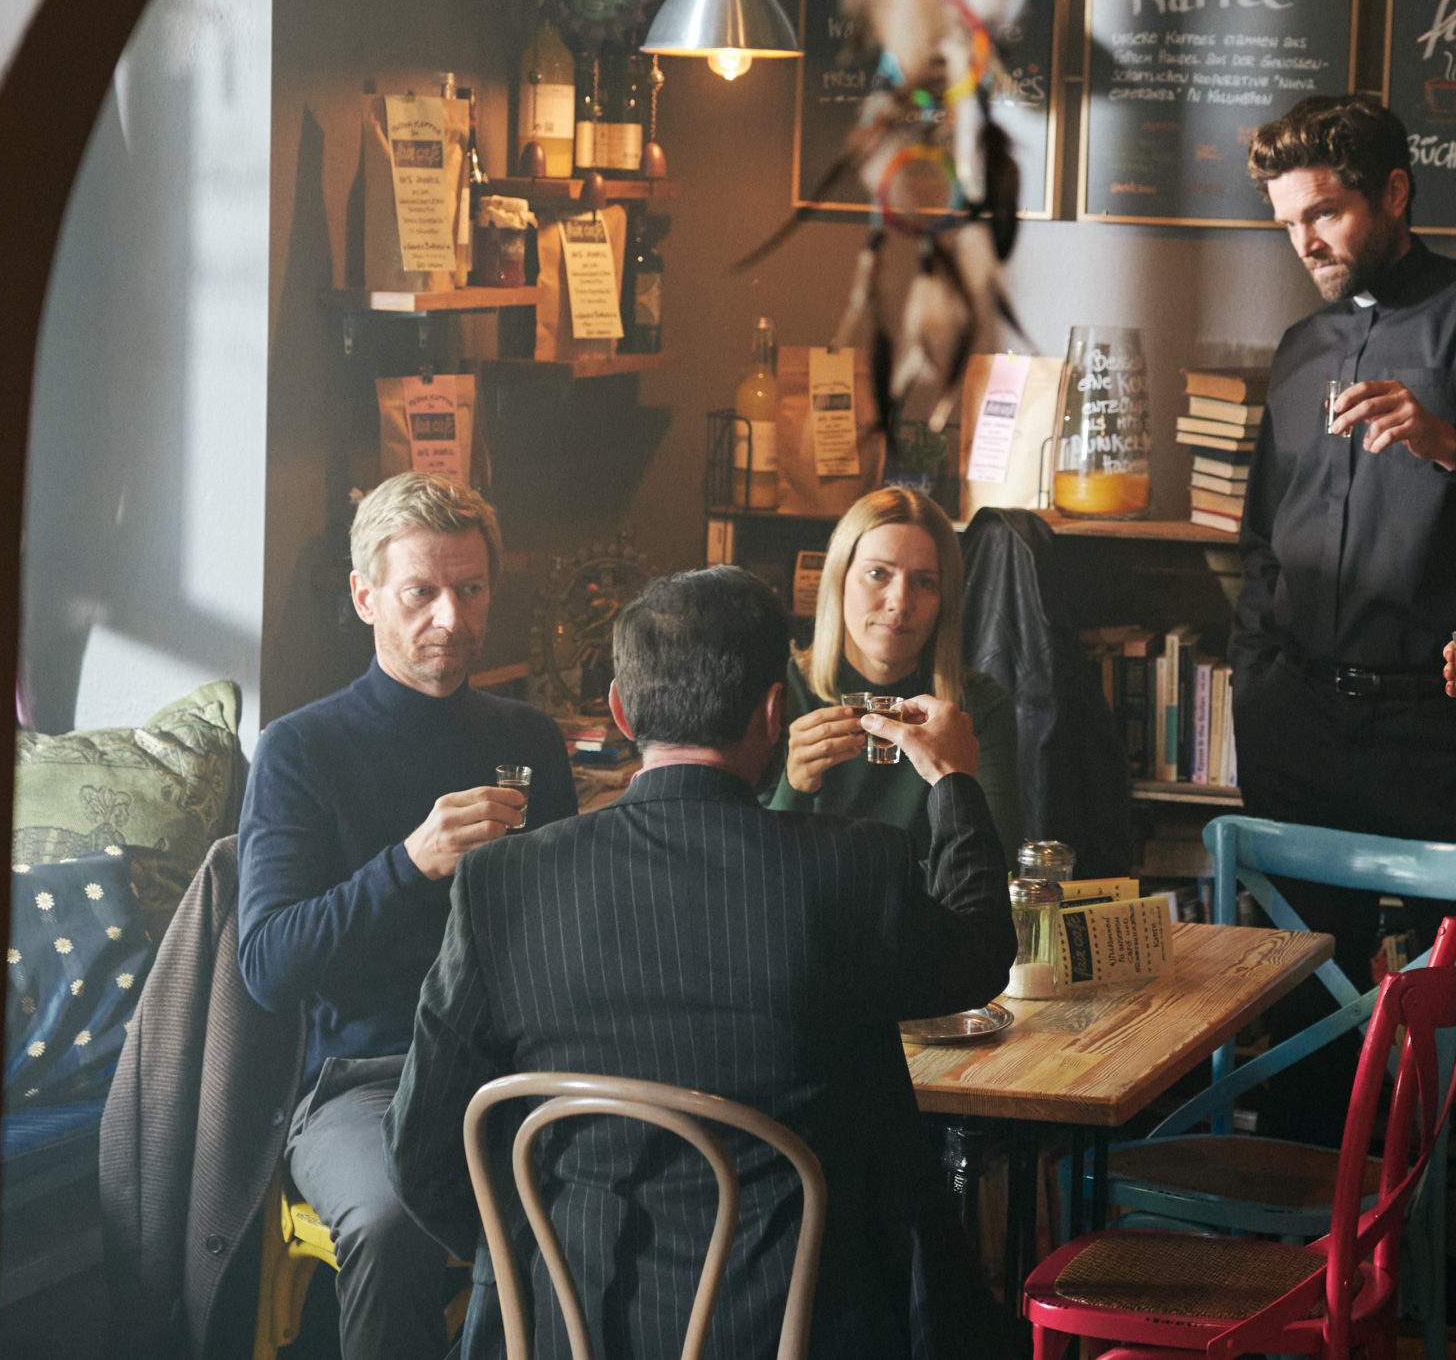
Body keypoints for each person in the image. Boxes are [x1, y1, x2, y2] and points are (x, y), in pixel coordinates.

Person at [384, 564, 1015, 1360]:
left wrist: (528, 1257)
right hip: (800, 1331)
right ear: (774, 711)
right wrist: (955, 778)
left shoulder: (502, 882)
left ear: (619, 709)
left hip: (574, 1328)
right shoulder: (852, 867)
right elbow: (980, 953)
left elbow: (417, 1148)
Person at [1230, 93, 1456, 1352]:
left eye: (1325, 209)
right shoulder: (1295, 350)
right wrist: (1256, 674)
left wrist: (1450, 444)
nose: (1308, 238)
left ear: (1395, 191)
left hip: (1444, 733)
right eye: (1288, 220)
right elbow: (1256, 542)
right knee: (1296, 1027)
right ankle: (1300, 1310)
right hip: (1300, 731)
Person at [237, 472, 579, 1360]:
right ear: (365, 596)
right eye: (421, 592)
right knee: (394, 1225)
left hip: (509, 1071)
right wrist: (410, 863)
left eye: (470, 591)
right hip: (360, 1081)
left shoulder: (529, 740)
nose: (452, 620)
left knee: (614, 1188)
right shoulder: (302, 748)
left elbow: (567, 933)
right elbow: (268, 965)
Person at [765, 485, 1024, 855]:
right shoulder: (781, 691)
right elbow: (750, 874)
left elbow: (998, 870)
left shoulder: (979, 707)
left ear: (944, 600)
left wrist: (954, 783)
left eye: (924, 582)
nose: (900, 602)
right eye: (877, 573)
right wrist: (795, 786)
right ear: (839, 579)